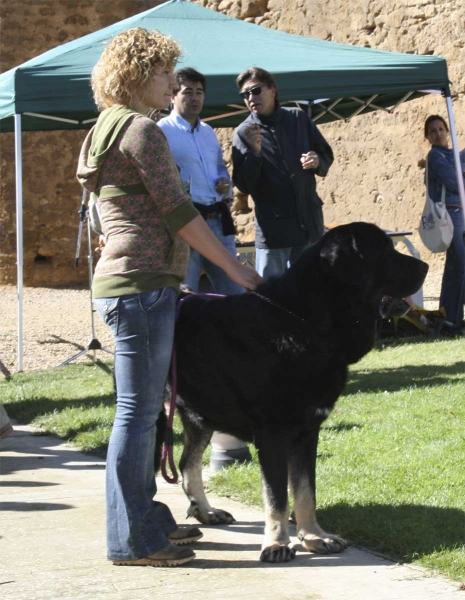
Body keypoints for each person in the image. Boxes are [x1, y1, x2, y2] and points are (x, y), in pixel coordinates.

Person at [76, 27, 261, 569]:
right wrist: (236, 268)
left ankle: (148, 519)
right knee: (136, 415)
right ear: (135, 75)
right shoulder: (142, 130)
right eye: (162, 72)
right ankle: (133, 540)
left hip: (135, 283)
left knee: (140, 413)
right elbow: (179, 212)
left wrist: (135, 250)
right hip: (141, 287)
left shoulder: (102, 130)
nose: (172, 82)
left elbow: (103, 202)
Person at [232, 66, 334, 278]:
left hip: (308, 226)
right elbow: (243, 184)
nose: (251, 98)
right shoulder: (244, 132)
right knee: (271, 299)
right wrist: (255, 153)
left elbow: (326, 154)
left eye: (256, 90)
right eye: (245, 95)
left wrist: (317, 161)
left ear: (273, 90)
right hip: (274, 233)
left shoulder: (298, 118)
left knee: (311, 295)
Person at [158, 68, 243, 295]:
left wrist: (224, 181)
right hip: (186, 224)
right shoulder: (161, 132)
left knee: (234, 293)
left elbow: (218, 167)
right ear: (173, 95)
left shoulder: (208, 131)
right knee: (186, 295)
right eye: (187, 92)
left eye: (199, 92)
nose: (195, 98)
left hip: (217, 220)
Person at [424, 114, 465, 335]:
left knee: (454, 269)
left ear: (447, 131)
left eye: (441, 129)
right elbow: (453, 182)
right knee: (460, 267)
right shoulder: (436, 156)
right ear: (428, 137)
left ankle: (447, 320)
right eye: (433, 131)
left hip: (457, 214)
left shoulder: (453, 155)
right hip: (450, 215)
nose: (438, 133)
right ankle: (453, 322)